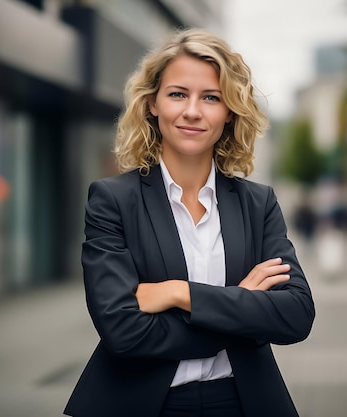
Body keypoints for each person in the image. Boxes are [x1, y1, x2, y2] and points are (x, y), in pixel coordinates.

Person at [64, 28, 315, 417]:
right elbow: (123, 331)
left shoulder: (257, 203)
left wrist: (181, 293)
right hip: (142, 405)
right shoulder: (113, 201)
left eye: (211, 97)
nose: (193, 111)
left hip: (242, 404)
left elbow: (295, 315)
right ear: (153, 104)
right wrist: (241, 303)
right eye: (178, 94)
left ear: (229, 110)